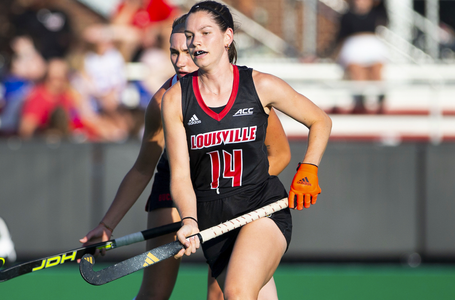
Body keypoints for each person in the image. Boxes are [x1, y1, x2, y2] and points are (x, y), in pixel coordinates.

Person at [80, 14, 291, 300]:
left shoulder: (246, 91)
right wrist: (107, 225)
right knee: (155, 293)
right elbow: (143, 168)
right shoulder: (163, 100)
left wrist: (235, 194)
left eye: (188, 52)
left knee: (224, 292)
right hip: (174, 188)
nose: (180, 62)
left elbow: (279, 155)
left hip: (230, 195)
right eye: (174, 52)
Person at [161, 1, 331, 299]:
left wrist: (309, 168)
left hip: (260, 208)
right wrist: (189, 219)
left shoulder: (260, 85)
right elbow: (180, 175)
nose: (195, 41)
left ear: (228, 37)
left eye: (205, 32)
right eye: (190, 35)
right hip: (213, 218)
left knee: (238, 292)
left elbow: (320, 120)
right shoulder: (175, 99)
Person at [335, 0, 388, 114]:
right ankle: (361, 101)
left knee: (376, 69)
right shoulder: (347, 16)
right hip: (354, 48)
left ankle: (380, 98)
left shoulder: (377, 13)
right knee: (357, 71)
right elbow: (339, 37)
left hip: (371, 47)